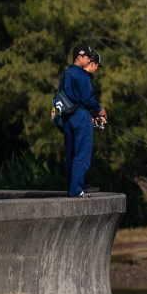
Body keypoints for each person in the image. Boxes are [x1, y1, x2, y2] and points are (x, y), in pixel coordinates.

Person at [60, 44, 109, 197]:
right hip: (82, 117)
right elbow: (88, 99)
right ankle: (76, 190)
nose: (88, 60)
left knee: (71, 155)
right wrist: (100, 110)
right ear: (79, 58)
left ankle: (71, 188)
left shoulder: (66, 74)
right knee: (82, 155)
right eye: (87, 57)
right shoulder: (82, 76)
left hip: (67, 118)